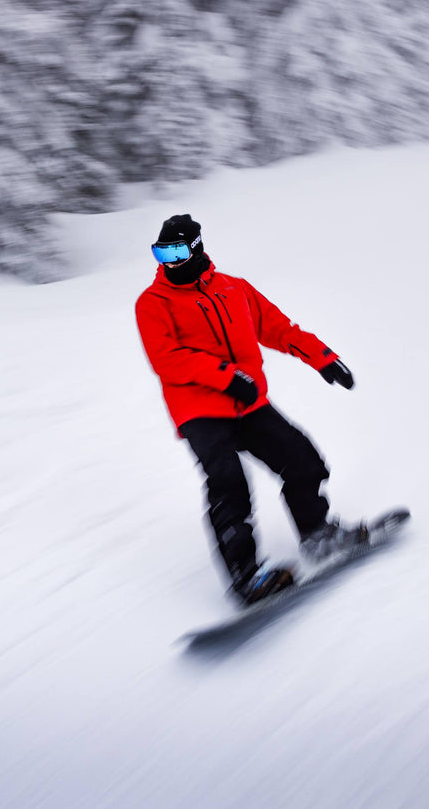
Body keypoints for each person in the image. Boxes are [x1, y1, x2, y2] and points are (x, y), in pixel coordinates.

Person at [135, 214, 357, 605]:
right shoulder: (153, 303)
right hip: (199, 408)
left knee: (302, 459)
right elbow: (166, 358)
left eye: (176, 251)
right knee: (228, 482)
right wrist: (224, 376)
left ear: (197, 247)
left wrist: (323, 358)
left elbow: (278, 328)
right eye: (161, 252)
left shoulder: (233, 289)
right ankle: (246, 576)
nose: (169, 261)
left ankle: (318, 535)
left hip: (248, 402)